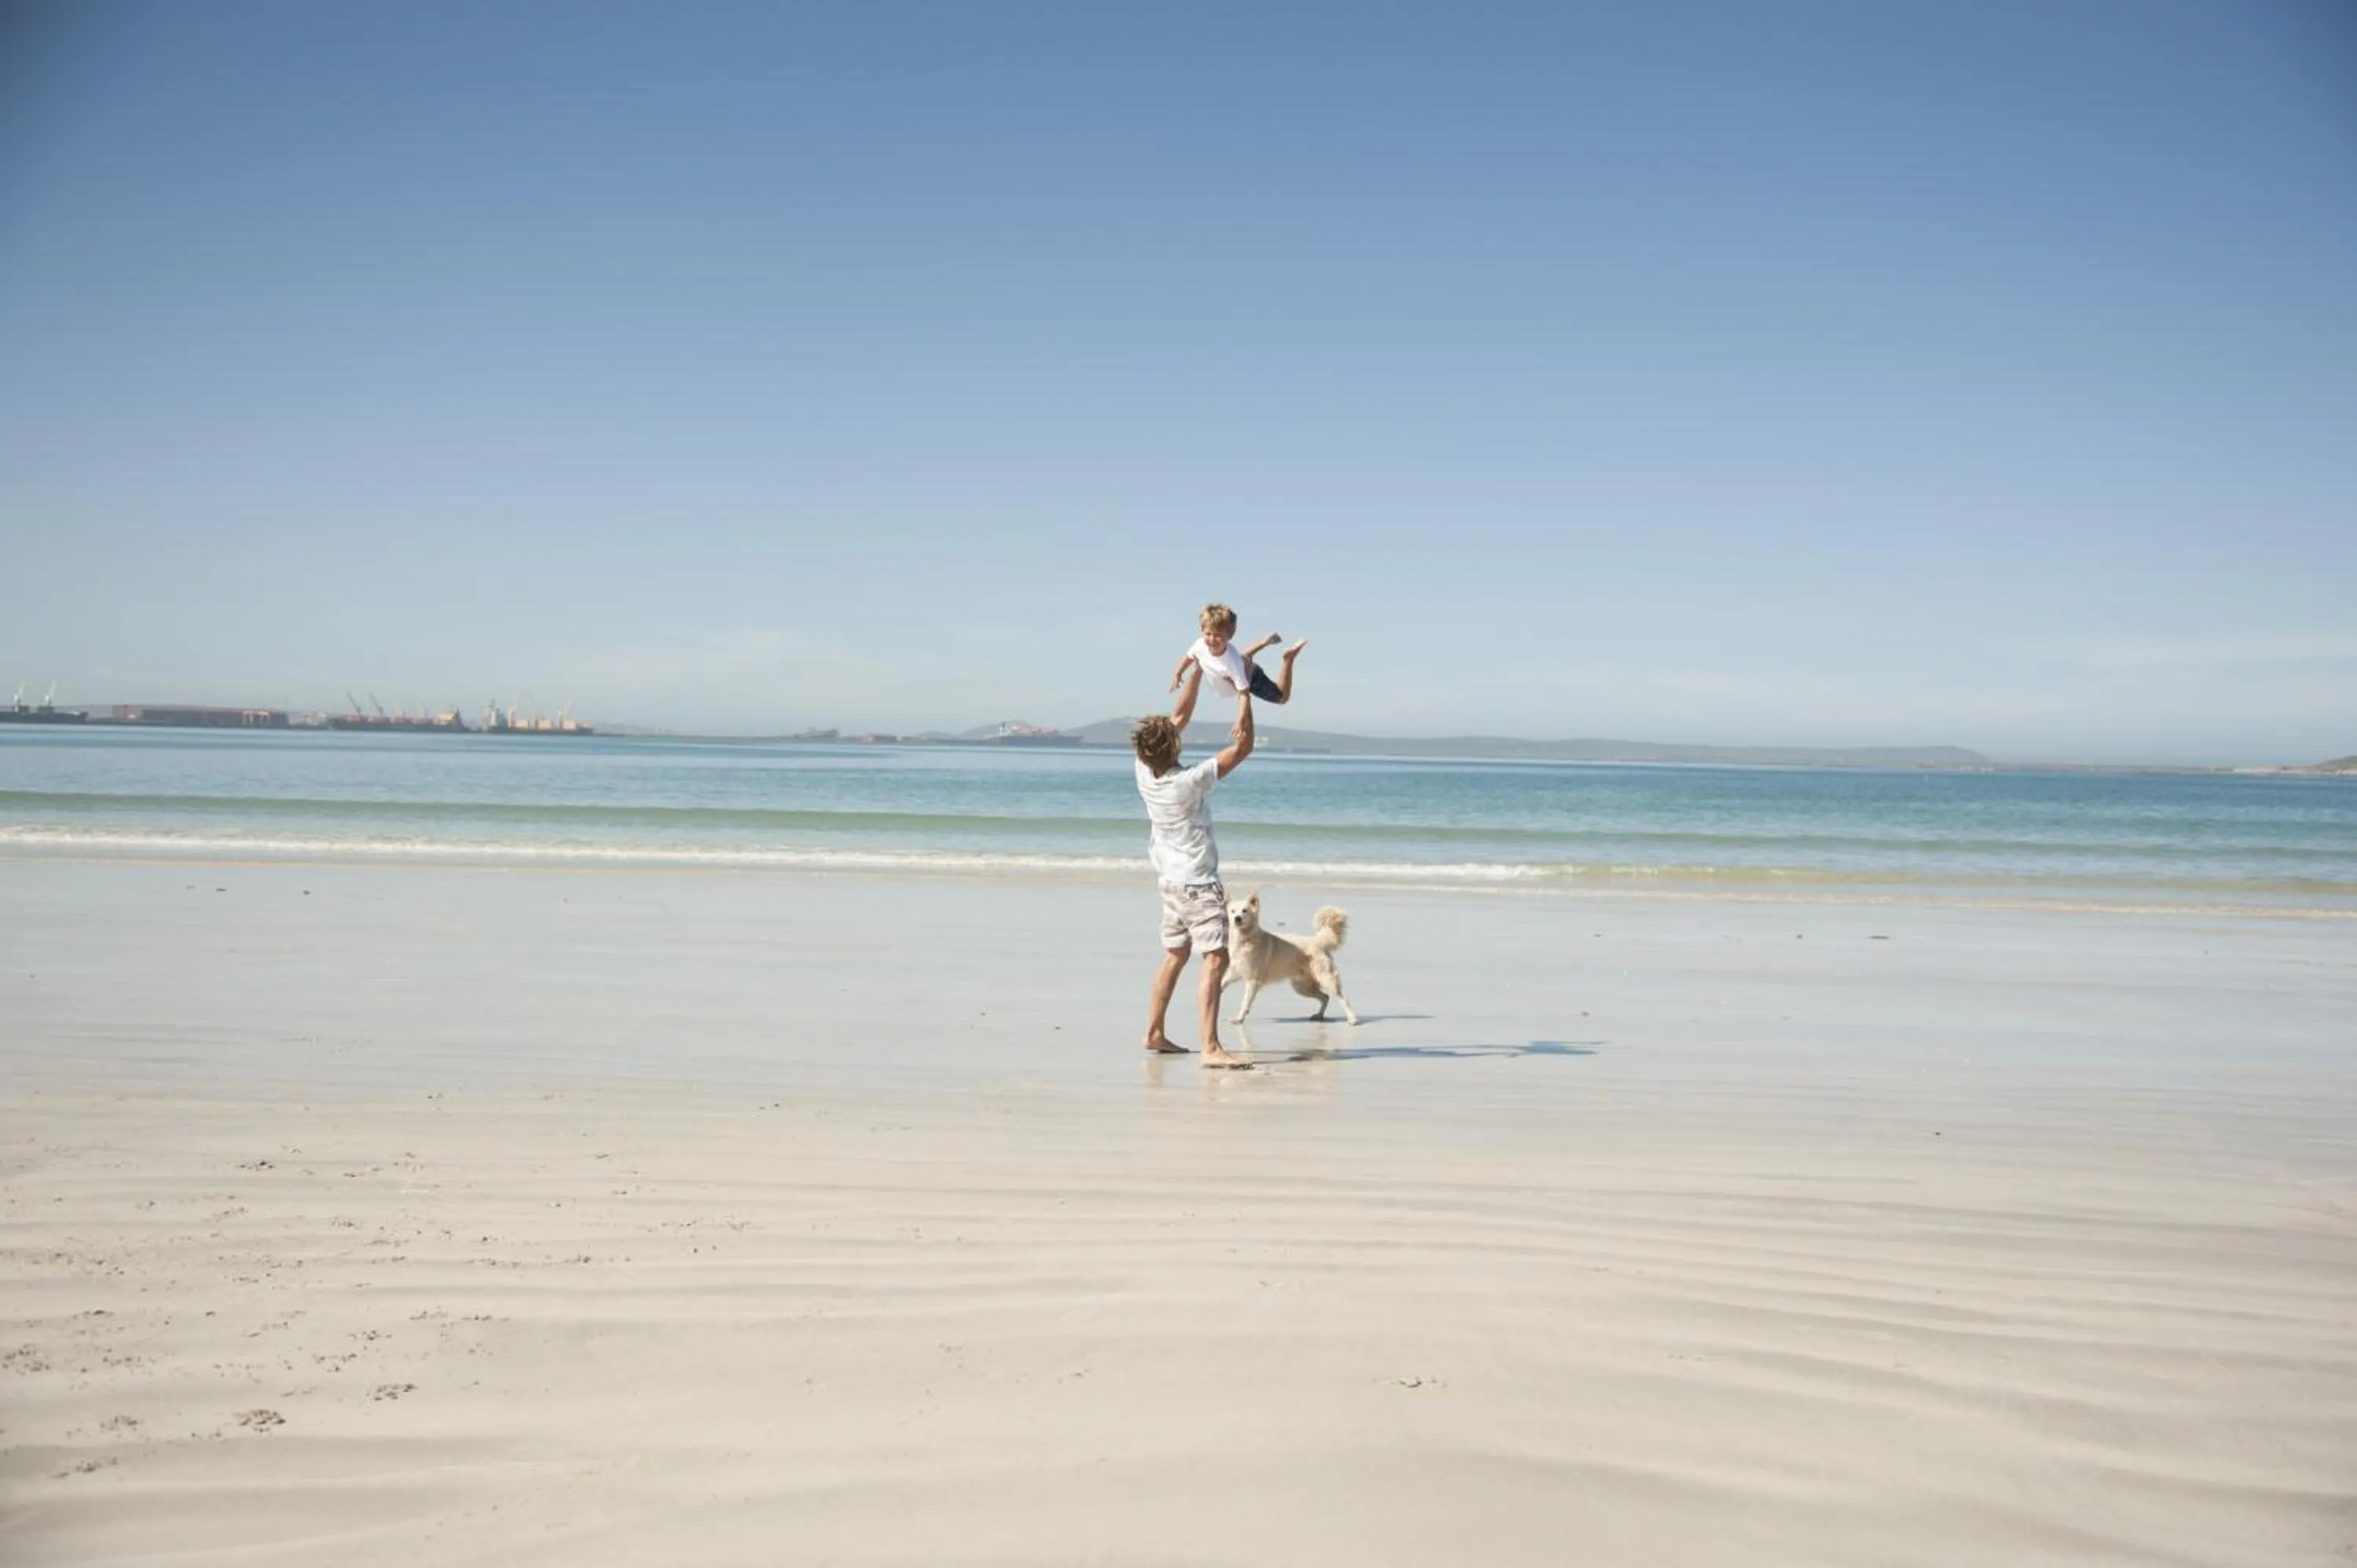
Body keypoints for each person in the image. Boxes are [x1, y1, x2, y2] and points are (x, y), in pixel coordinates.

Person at [1134, 666, 1256, 1068]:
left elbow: (1178, 718)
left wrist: (1200, 673)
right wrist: (1244, 693)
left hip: (1169, 881)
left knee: (1175, 954)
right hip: (1197, 885)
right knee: (1216, 958)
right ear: (1174, 746)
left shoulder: (1143, 771)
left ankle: (1154, 1032)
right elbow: (1243, 748)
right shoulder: (1188, 782)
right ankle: (1211, 1047)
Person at [1169, 603, 1306, 717]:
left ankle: (1288, 659)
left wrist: (1240, 720)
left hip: (1251, 677)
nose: (1211, 639)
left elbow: (1244, 695)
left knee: (1283, 698)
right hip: (1238, 664)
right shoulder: (1199, 645)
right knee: (1231, 661)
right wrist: (1178, 673)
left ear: (1230, 634)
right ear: (1202, 631)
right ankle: (1262, 643)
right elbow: (1188, 657)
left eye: (1217, 635)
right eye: (1208, 634)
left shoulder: (1233, 663)